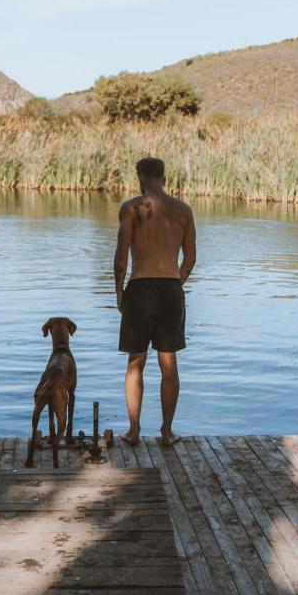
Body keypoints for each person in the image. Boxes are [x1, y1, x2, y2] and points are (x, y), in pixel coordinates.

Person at [113, 157, 196, 448]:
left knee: (136, 362)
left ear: (141, 177)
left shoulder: (132, 208)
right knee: (169, 364)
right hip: (171, 289)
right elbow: (190, 259)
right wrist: (175, 284)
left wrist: (119, 291)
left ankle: (134, 431)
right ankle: (167, 431)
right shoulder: (183, 210)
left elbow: (122, 257)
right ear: (163, 176)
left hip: (140, 288)